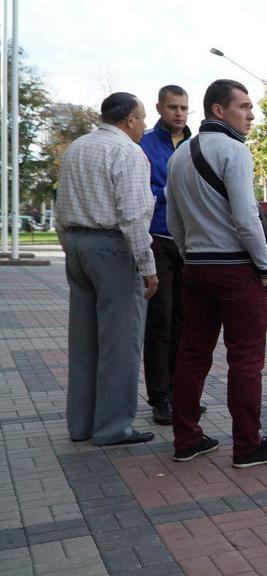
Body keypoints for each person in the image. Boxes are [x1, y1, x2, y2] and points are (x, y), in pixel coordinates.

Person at [165, 79, 267, 468]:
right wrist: (265, 265)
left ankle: (186, 439)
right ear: (219, 110)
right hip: (236, 269)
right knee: (246, 359)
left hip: (196, 269)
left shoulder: (179, 155)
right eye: (244, 107)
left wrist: (189, 257)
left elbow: (173, 220)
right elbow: (246, 217)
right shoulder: (235, 151)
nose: (251, 115)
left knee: (192, 354)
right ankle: (248, 446)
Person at [54, 92, 158, 446]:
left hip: (77, 245)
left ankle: (81, 424)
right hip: (113, 248)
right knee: (120, 342)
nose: (144, 126)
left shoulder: (76, 149)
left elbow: (61, 203)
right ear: (129, 119)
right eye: (142, 119)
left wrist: (69, 243)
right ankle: (113, 427)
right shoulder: (128, 152)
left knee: (83, 341)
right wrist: (147, 266)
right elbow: (133, 215)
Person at [139, 85, 193, 426]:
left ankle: (180, 393)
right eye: (173, 107)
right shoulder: (143, 144)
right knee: (161, 319)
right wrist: (168, 191)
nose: (179, 113)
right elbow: (139, 190)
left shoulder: (195, 145)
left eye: (184, 108)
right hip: (156, 238)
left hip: (189, 241)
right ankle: (159, 397)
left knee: (186, 323)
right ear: (160, 107)